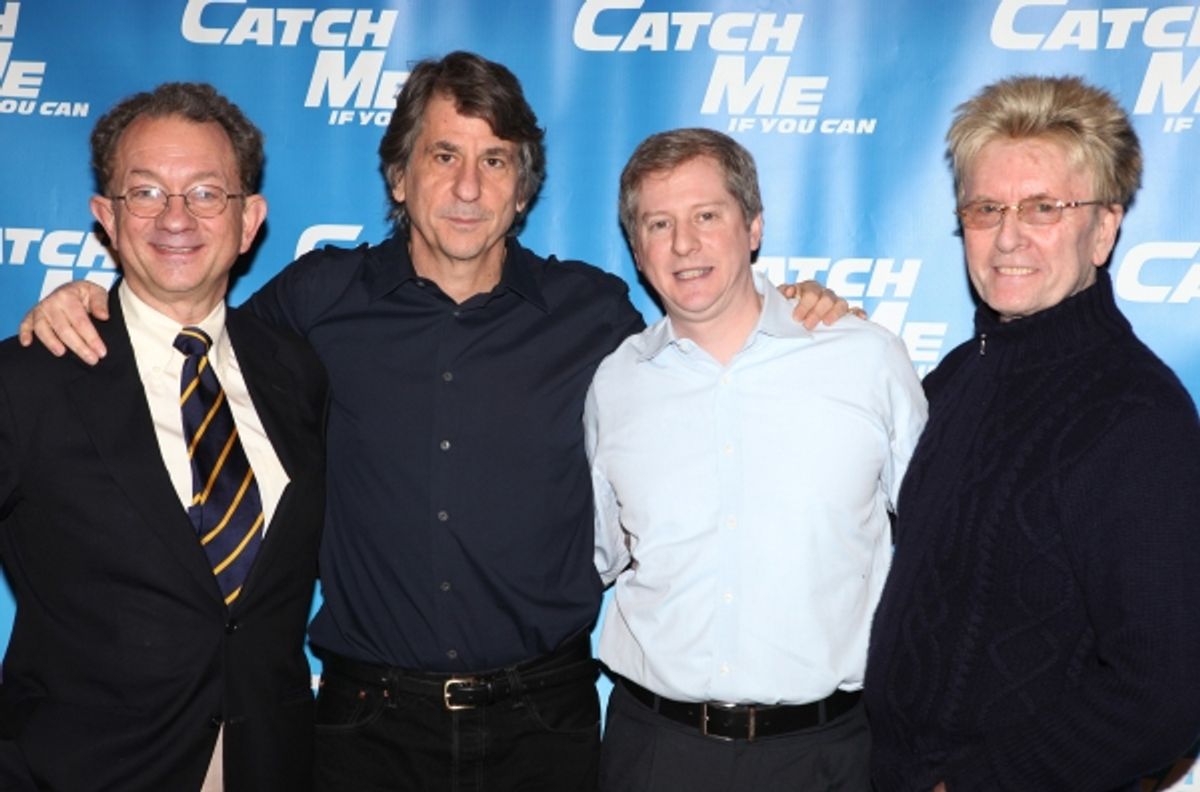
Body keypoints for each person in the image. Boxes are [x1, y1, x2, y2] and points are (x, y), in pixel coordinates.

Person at [17, 53, 848, 790]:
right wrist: (89, 300)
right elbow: (185, 322)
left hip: (546, 723)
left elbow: (707, 361)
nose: (466, 187)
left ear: (523, 187)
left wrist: (792, 308)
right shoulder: (314, 303)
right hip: (362, 727)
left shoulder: (592, 313)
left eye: (495, 161)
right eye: (442, 155)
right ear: (398, 177)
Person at [864, 75, 1200, 791]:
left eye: (1043, 208)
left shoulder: (1137, 416)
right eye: (986, 208)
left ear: (1103, 229)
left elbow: (1166, 692)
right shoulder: (955, 379)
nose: (1008, 235)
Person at [0, 83, 328, 791]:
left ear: (249, 222)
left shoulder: (295, 370)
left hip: (268, 762)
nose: (176, 217)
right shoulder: (26, 378)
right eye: (145, 192)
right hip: (81, 771)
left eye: (207, 193)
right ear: (105, 220)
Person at [586, 127, 927, 791]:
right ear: (636, 247)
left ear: (753, 227)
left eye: (707, 216)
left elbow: (939, 547)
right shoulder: (615, 383)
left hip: (826, 755)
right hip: (656, 753)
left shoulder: (865, 360)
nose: (684, 244)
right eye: (660, 223)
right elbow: (607, 552)